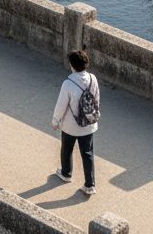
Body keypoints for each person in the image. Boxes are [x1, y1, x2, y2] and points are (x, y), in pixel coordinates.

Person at [51, 48, 100, 196]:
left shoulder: (68, 83)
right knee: (88, 153)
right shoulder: (93, 79)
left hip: (71, 126)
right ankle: (90, 185)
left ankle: (66, 174)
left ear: (72, 65)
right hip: (89, 124)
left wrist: (55, 120)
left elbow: (61, 105)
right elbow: (96, 99)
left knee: (67, 149)